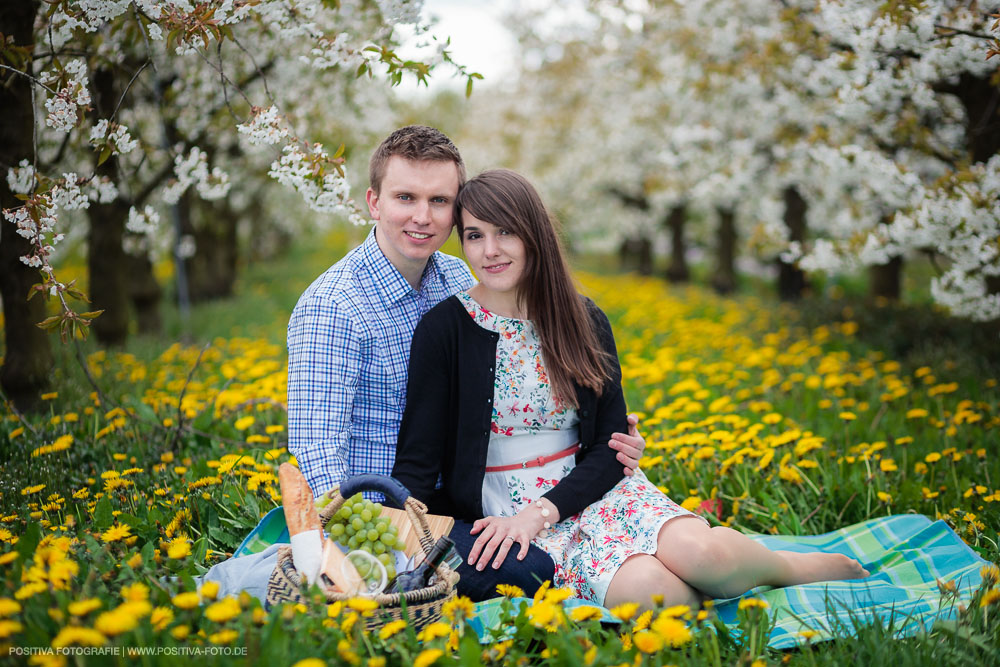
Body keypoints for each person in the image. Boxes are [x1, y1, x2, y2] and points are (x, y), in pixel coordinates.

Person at [392, 169, 870, 609]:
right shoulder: (445, 330)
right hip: (508, 517)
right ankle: (699, 589)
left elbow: (609, 447)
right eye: (474, 235)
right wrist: (401, 543)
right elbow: (419, 460)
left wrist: (542, 511)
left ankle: (790, 568)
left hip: (590, 491)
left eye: (505, 232)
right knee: (653, 595)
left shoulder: (581, 318)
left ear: (534, 235)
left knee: (706, 556)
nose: (490, 250)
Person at [286, 126, 648, 601]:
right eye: (405, 197)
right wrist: (352, 548)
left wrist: (603, 438)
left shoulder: (461, 277)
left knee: (539, 558)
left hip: (471, 496)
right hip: (390, 515)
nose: (422, 216)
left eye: (439, 201)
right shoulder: (334, 308)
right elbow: (318, 450)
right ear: (374, 203)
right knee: (531, 573)